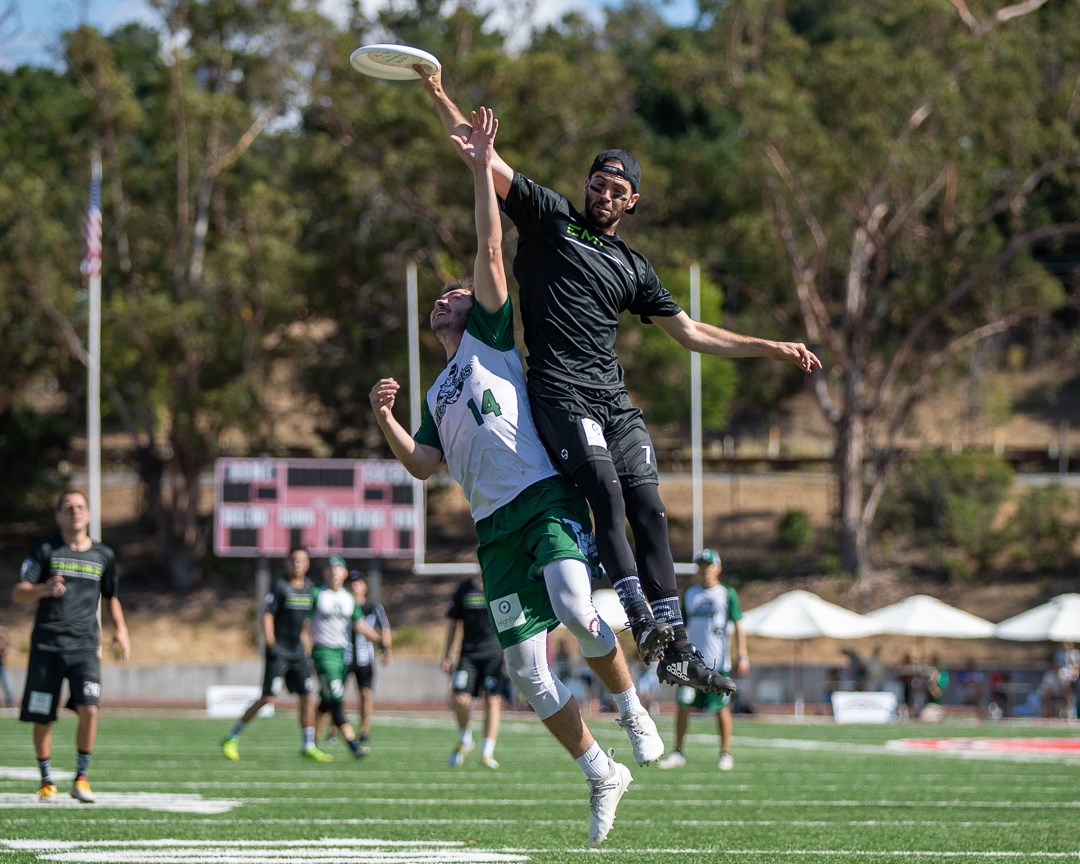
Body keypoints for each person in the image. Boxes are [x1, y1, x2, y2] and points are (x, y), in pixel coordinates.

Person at [417, 66, 821, 695]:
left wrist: (769, 347)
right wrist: (439, 94)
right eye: (598, 184)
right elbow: (480, 154)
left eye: (617, 190)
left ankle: (677, 647)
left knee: (650, 509)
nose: (604, 194)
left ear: (632, 202)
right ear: (586, 186)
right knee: (604, 491)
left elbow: (690, 332)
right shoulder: (549, 217)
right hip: (559, 391)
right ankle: (639, 618)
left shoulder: (634, 266)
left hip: (614, 401)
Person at [370, 107, 662, 847]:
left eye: (455, 292)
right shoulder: (437, 393)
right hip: (493, 529)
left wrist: (481, 169)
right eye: (441, 296)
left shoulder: (493, 337)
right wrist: (386, 420)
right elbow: (423, 467)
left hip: (544, 500)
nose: (446, 296)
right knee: (527, 673)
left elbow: (490, 242)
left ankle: (631, 709)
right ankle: (600, 770)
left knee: (574, 604)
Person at [12, 490, 131, 802]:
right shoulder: (46, 549)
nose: (75, 511)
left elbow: (111, 596)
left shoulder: (103, 554)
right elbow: (19, 592)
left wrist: (121, 629)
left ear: (88, 514)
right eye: (68, 507)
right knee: (43, 716)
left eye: (80, 507)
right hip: (47, 647)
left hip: (85, 648)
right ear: (58, 516)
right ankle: (46, 781)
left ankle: (81, 778)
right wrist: (43, 589)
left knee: (90, 708)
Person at [220, 546, 331, 763]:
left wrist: (306, 644)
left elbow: (306, 621)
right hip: (279, 651)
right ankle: (232, 737)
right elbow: (267, 613)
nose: (298, 564)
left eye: (302, 560)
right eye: (294, 560)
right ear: (287, 563)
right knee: (268, 697)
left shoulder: (309, 588)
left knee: (307, 696)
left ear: (307, 564)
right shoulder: (279, 585)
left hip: (298, 653)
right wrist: (270, 642)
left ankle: (308, 745)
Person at [658, 549, 748, 772]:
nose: (704, 569)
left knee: (721, 708)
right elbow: (680, 626)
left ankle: (725, 753)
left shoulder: (726, 593)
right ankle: (678, 751)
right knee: (683, 705)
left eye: (708, 565)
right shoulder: (690, 593)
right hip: (691, 664)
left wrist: (742, 654)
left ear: (718, 567)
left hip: (718, 663)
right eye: (701, 565)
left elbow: (738, 624)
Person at [311, 555, 383, 759]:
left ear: (344, 573)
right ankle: (353, 744)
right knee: (336, 696)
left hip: (342, 654)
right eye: (330, 568)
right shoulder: (316, 594)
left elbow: (359, 624)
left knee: (327, 699)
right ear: (324, 572)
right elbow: (304, 623)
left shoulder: (348, 598)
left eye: (338, 568)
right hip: (323, 653)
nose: (334, 572)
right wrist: (305, 649)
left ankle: (311, 740)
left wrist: (379, 641)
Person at [0, 625, 15, 707]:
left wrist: (3, 639)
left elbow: (4, 651)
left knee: (6, 685)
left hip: (1, 667)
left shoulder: (3, 644)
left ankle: (10, 702)